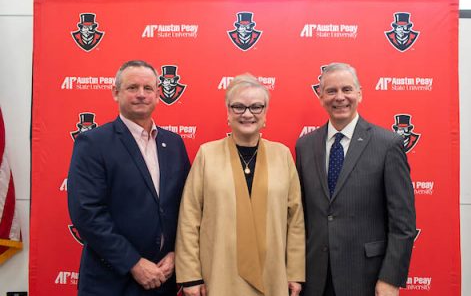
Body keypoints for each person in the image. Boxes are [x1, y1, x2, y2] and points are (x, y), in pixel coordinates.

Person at [175, 74, 305, 296]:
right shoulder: (207, 154)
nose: (247, 114)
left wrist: (294, 272)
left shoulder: (282, 155)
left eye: (256, 107)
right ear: (228, 112)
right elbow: (190, 217)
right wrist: (190, 276)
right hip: (219, 274)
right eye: (238, 107)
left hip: (271, 274)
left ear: (265, 113)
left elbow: (295, 220)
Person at [67, 60, 190, 295]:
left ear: (158, 94)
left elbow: (187, 206)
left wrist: (177, 253)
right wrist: (133, 263)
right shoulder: (93, 143)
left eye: (148, 88)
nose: (141, 95)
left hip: (163, 279)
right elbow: (87, 213)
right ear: (116, 92)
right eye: (132, 88)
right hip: (112, 281)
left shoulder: (174, 144)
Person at [295, 63, 416, 296]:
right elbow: (301, 217)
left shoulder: (387, 144)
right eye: (331, 91)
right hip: (315, 279)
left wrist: (390, 278)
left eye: (347, 89)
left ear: (359, 93)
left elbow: (403, 222)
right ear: (320, 97)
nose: (340, 97)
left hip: (367, 278)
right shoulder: (305, 146)